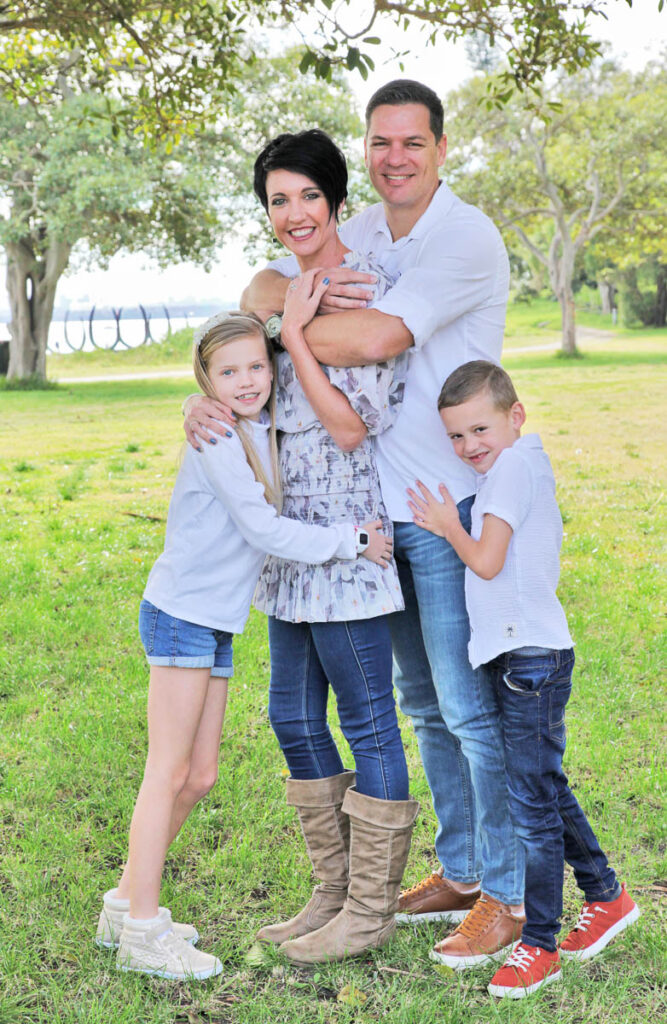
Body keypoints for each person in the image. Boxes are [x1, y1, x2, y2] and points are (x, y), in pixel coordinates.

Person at [223, 80, 527, 968]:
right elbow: (259, 279)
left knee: (469, 713)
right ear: (367, 150)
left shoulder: (461, 234)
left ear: (441, 148)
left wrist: (291, 322)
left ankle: (505, 898)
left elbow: (378, 339)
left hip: (446, 502)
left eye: (412, 141)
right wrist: (290, 305)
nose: (395, 156)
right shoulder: (364, 234)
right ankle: (462, 868)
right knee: (423, 706)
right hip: (379, 511)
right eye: (380, 142)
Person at [96, 310, 393, 981]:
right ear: (206, 379)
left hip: (215, 620)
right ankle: (144, 929)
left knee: (199, 777)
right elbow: (263, 527)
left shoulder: (257, 423)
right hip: (180, 615)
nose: (246, 380)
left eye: (256, 365)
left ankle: (122, 902)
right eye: (226, 372)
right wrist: (353, 541)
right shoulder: (218, 437)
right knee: (166, 771)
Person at [186, 129, 419, 966]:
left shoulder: (370, 281)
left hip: (348, 538)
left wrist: (294, 330)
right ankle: (330, 892)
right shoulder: (280, 288)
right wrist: (203, 397)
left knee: (365, 721)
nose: (294, 214)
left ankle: (369, 910)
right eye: (278, 200)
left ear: (337, 199)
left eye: (308, 196)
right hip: (286, 543)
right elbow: (241, 367)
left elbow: (353, 427)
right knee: (290, 714)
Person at [408, 359, 640, 998]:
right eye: (456, 437)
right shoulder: (515, 465)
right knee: (541, 788)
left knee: (532, 808)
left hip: (531, 662)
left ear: (516, 417)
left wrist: (447, 526)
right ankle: (608, 897)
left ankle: (539, 943)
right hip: (526, 658)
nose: (469, 446)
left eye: (479, 429)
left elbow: (486, 561)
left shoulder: (511, 468)